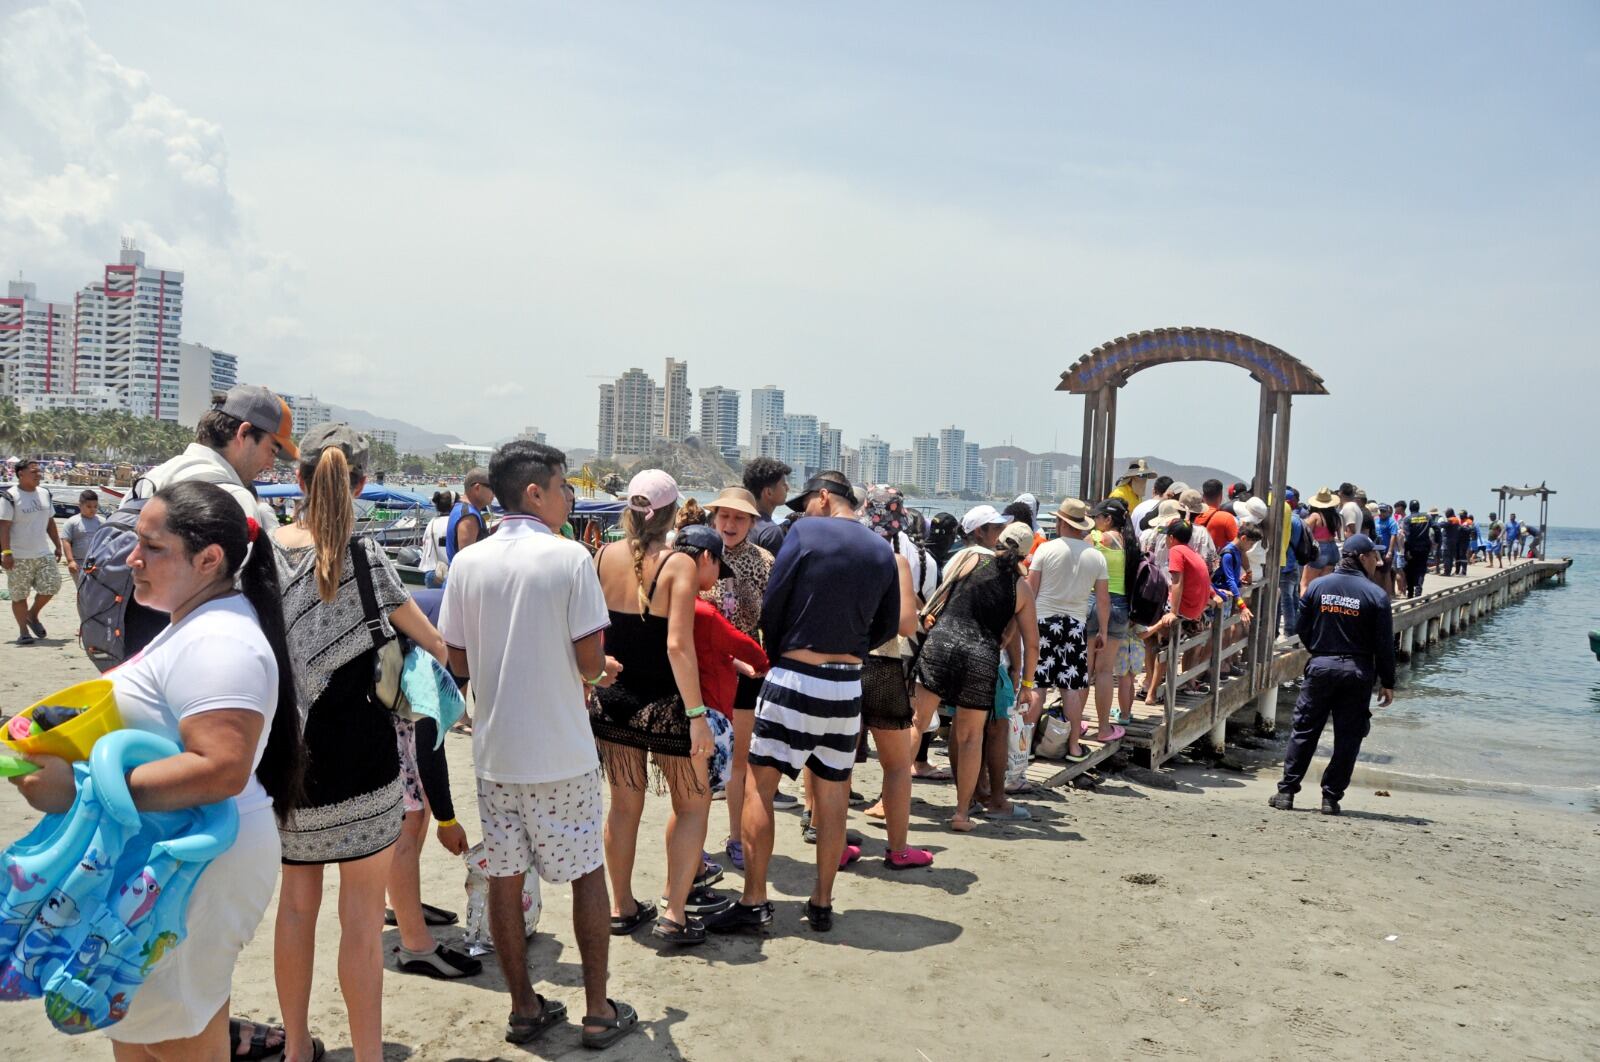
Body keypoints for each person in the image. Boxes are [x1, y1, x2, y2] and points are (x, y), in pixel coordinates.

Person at [8, 480, 307, 1057]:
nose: (130, 558)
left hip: (191, 866)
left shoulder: (221, 640)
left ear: (209, 559)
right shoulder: (198, 622)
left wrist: (78, 790)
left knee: (171, 1036)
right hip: (177, 856)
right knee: (150, 1030)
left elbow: (221, 768)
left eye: (151, 546)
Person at [438, 440, 637, 1048]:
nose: (569, 496)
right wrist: (601, 671)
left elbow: (458, 659)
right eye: (562, 486)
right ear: (536, 492)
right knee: (585, 875)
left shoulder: (469, 562)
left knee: (505, 875)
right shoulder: (569, 557)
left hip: (497, 751)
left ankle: (524, 1006)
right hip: (562, 751)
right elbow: (587, 659)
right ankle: (598, 1008)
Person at [270, 424, 448, 1062]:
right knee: (362, 924)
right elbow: (435, 643)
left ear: (298, 480)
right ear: (362, 485)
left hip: (290, 762)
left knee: (295, 909)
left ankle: (295, 1049)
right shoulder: (367, 559)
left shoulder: (263, 553)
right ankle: (367, 1054)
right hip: (365, 763)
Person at [710, 472, 898, 934]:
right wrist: (852, 645)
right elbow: (889, 624)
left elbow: (775, 602)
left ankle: (754, 899)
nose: (802, 511)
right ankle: (822, 900)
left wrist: (778, 653)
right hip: (846, 683)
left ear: (824, 498)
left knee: (760, 788)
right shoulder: (881, 549)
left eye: (807, 503)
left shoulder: (807, 532)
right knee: (833, 793)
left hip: (795, 674)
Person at [590, 470, 723, 946]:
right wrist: (697, 717)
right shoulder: (679, 565)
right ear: (672, 514)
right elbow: (677, 647)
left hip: (614, 701)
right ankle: (674, 913)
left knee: (624, 806)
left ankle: (622, 906)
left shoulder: (603, 556)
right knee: (694, 803)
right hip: (665, 705)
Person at [122, 385, 299, 667]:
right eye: (271, 449)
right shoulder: (233, 497)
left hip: (131, 641)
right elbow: (242, 593)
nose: (270, 463)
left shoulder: (153, 477)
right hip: (192, 655)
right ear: (243, 433)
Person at [914, 504, 1041, 832]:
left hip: (941, 644)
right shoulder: (1021, 588)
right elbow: (1032, 642)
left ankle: (888, 801)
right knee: (971, 737)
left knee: (917, 724)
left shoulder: (971, 557)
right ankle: (960, 815)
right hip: (980, 656)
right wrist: (1026, 682)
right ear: (1025, 556)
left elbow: (941, 596)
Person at [386, 587, 479, 982]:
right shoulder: (430, 660)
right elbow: (430, 748)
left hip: (384, 715)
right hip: (392, 732)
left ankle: (397, 904)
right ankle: (415, 945)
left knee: (411, 812)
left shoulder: (438, 632)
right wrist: (448, 820)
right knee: (411, 819)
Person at [1269, 534, 1395, 815]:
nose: (1378, 561)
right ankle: (1330, 798)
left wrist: (1319, 650)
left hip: (1321, 667)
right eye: (1374, 556)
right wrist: (1388, 681)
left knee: (1304, 730)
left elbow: (1302, 628)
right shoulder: (1376, 595)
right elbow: (1384, 644)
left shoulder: (1317, 586)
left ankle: (1286, 792)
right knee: (1348, 737)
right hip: (1357, 672)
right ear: (1362, 558)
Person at [853, 488, 935, 868]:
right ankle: (898, 850)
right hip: (882, 666)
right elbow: (905, 624)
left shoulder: (844, 553)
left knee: (831, 765)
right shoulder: (895, 560)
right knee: (898, 765)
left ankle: (832, 845)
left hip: (839, 663)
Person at [1030, 499, 1108, 757]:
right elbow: (1103, 599)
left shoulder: (1046, 549)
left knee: (1038, 685)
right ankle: (1074, 745)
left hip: (1043, 621)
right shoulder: (1096, 556)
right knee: (1071, 688)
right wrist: (1104, 631)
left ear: (1062, 522)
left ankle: (1027, 744)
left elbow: (1031, 590)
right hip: (1076, 624)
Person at [1084, 501, 1137, 737]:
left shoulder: (1095, 540)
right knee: (1105, 672)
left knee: (1084, 670)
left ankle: (1075, 728)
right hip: (1120, 607)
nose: (1095, 521)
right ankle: (1104, 728)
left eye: (1097, 517)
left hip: (1094, 602)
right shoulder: (1131, 544)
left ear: (1107, 519)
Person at [1, 458, 62, 645]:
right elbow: (3, 527)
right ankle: (23, 632)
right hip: (18, 556)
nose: (39, 474)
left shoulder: (44, 493)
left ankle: (32, 614)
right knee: (19, 595)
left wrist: (57, 545)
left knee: (53, 584)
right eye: (34, 472)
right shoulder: (10, 496)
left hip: (43, 553)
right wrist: (6, 553)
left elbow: (50, 522)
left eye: (39, 471)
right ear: (21, 474)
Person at [741, 456, 792, 556]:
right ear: (768, 492)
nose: (787, 488)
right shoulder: (771, 532)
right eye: (783, 484)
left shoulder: (738, 523)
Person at [1300, 488, 1341, 593]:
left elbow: (1304, 530)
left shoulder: (1315, 516)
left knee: (1305, 584)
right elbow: (1339, 536)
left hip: (1320, 549)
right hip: (1333, 549)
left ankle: (1305, 609)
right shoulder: (1336, 517)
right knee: (1322, 586)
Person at [446, 468, 493, 560]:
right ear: (477, 488)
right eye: (492, 488)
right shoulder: (469, 516)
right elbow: (466, 559)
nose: (494, 494)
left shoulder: (460, 509)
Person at [60, 489, 105, 585]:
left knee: (96, 588)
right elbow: (66, 541)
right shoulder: (72, 522)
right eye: (89, 506)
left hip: (96, 562)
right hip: (79, 562)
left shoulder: (102, 522)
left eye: (95, 506)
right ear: (80, 505)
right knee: (82, 588)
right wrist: (70, 561)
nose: (92, 509)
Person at [418, 490, 454, 588]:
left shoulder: (432, 522)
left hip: (431, 572)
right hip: (448, 573)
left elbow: (424, 542)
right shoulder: (454, 522)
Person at [1195, 479, 1239, 551]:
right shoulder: (1226, 518)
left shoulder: (1193, 516)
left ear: (1203, 496)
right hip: (1218, 561)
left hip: (1195, 561)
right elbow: (1238, 546)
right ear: (1221, 496)